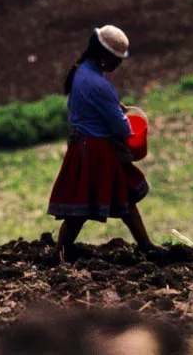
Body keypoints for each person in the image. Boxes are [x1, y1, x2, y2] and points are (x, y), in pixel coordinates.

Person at [48, 25, 155, 259]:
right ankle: (60, 253)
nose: (119, 64)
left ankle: (146, 245)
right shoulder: (100, 85)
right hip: (96, 150)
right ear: (106, 55)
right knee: (84, 208)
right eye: (118, 59)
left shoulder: (81, 72)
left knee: (121, 199)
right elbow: (121, 128)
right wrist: (121, 115)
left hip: (82, 144)